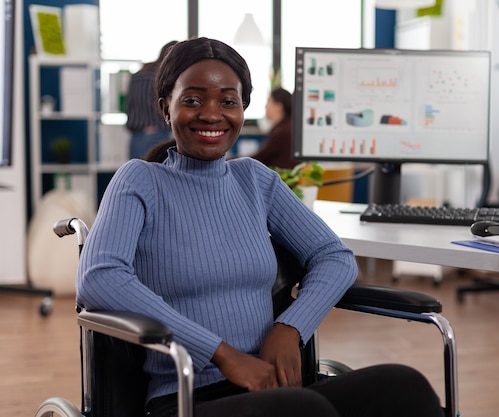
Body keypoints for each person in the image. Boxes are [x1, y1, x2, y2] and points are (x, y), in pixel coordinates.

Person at [76, 37, 444, 417]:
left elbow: (335, 257)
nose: (211, 114)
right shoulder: (140, 180)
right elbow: (99, 277)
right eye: (193, 99)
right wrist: (224, 355)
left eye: (228, 101)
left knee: (405, 387)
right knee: (302, 409)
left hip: (279, 386)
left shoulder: (254, 180)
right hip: (187, 397)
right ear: (165, 107)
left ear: (242, 110)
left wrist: (291, 328)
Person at [125, 40, 178, 159]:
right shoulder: (160, 77)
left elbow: (129, 104)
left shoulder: (137, 76)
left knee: (135, 174)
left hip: (136, 135)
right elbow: (158, 105)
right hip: (157, 134)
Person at [248, 87, 298, 169]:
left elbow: (259, 158)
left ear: (278, 106)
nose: (266, 106)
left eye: (269, 102)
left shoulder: (282, 131)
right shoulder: (288, 126)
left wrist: (230, 161)